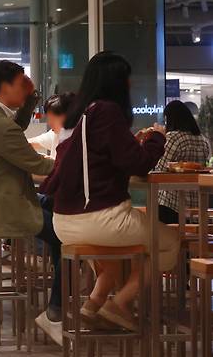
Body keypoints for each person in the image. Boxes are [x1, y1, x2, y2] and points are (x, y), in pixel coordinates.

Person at [41, 51, 179, 331]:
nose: (130, 85)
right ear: (117, 82)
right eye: (126, 79)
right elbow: (139, 164)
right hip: (98, 218)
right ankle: (120, 302)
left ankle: (93, 306)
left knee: (114, 258)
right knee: (169, 241)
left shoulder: (78, 116)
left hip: (64, 221)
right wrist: (156, 138)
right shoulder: (106, 111)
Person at [0, 60, 63, 345]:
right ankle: (56, 311)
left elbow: (13, 129)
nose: (26, 88)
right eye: (22, 84)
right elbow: (37, 165)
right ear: (6, 86)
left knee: (55, 206)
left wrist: (29, 101)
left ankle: (57, 306)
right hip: (0, 207)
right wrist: (80, 162)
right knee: (67, 235)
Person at [154, 100, 210, 224]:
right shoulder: (204, 140)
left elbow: (159, 169)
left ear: (169, 119)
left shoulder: (173, 137)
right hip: (197, 205)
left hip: (172, 205)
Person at [29, 92, 76, 158]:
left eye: (53, 119)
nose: (49, 123)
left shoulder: (76, 138)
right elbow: (31, 143)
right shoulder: (55, 133)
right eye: (48, 118)